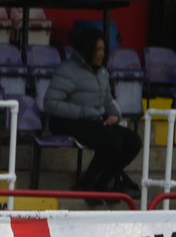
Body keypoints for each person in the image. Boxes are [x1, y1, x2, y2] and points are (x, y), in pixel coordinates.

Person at [43, 27, 142, 206]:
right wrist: (82, 112)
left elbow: (107, 101)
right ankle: (84, 184)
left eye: (104, 49)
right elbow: (50, 103)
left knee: (133, 141)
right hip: (66, 122)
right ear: (86, 49)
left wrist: (114, 115)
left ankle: (101, 182)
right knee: (113, 141)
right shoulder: (68, 70)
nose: (102, 54)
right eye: (98, 49)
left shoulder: (102, 72)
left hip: (92, 121)